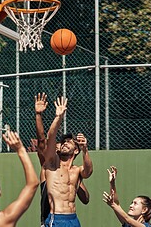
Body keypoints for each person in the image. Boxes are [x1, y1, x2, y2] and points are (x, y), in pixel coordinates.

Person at [34, 93, 90, 226]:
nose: (63, 144)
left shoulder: (75, 171)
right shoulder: (50, 163)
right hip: (53, 217)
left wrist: (76, 183)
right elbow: (43, 139)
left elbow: (86, 199)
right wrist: (55, 117)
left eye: (68, 142)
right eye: (61, 142)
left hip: (72, 218)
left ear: (76, 150)